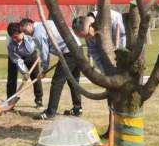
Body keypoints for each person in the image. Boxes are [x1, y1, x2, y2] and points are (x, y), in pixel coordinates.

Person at [72, 9, 126, 137]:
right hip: (108, 64)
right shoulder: (88, 32)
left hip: (124, 55)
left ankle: (124, 130)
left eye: (87, 35)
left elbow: (123, 36)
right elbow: (94, 52)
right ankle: (112, 130)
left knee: (125, 97)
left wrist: (121, 60)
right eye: (85, 37)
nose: (88, 38)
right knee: (111, 96)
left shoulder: (110, 17)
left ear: (90, 25)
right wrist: (105, 72)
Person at [20, 17, 82, 120]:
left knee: (57, 82)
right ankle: (77, 108)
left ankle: (50, 112)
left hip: (68, 52)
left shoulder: (37, 33)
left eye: (25, 31)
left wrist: (44, 69)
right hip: (77, 48)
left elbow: (45, 53)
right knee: (73, 81)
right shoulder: (46, 23)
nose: (26, 34)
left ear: (29, 25)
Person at [6, 21, 43, 109]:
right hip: (15, 56)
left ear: (22, 32)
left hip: (31, 55)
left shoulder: (31, 36)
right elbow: (17, 59)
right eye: (12, 38)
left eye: (16, 37)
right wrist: (24, 72)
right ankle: (10, 100)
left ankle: (39, 99)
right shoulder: (10, 43)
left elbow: (40, 46)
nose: (14, 39)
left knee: (35, 76)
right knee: (11, 78)